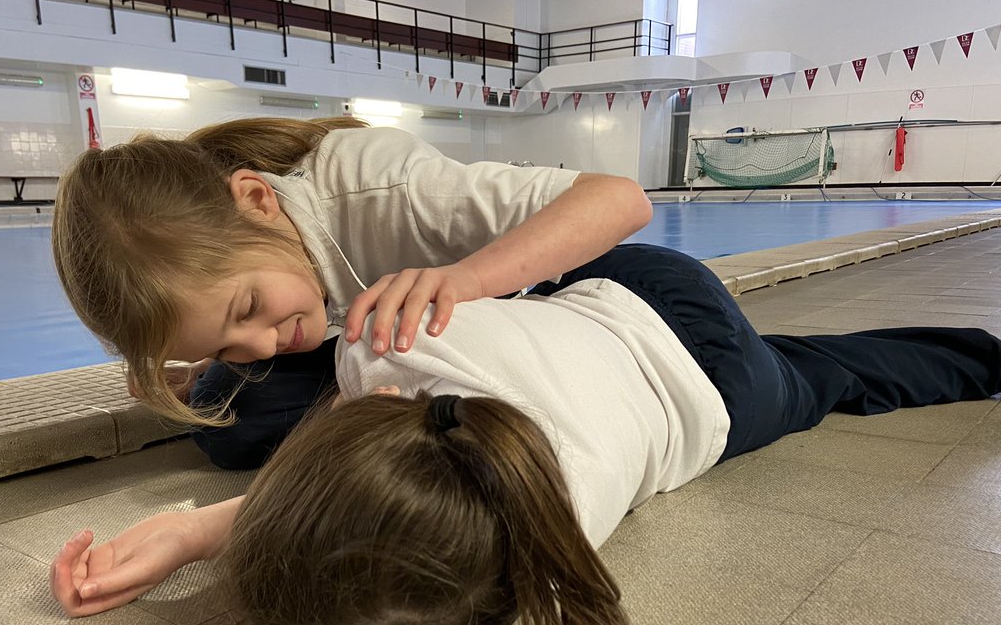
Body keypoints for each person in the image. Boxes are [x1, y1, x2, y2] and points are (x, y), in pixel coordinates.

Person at [49, 244, 1001, 625]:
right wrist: (196, 530)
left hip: (704, 391)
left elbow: (373, 533)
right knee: (821, 372)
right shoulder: (378, 346)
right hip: (640, 292)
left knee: (834, 375)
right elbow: (346, 486)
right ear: (369, 415)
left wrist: (195, 529)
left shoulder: (538, 532)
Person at [51, 117, 652, 468]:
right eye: (223, 345)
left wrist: (467, 279)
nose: (261, 348)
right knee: (226, 423)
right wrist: (204, 365)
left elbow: (622, 199)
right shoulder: (266, 273)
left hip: (561, 301)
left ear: (258, 201)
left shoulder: (388, 189)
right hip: (373, 332)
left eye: (248, 309)